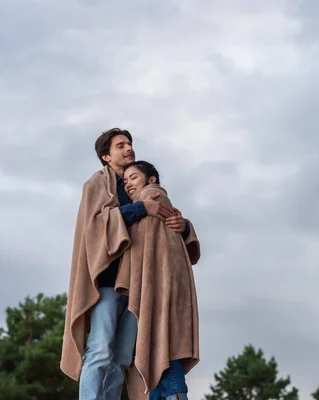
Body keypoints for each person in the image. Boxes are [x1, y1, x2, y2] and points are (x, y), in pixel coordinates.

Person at [60, 128, 196, 400]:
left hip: (139, 287)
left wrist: (184, 227)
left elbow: (161, 229)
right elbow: (94, 226)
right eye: (120, 145)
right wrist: (140, 209)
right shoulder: (97, 184)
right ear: (106, 156)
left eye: (130, 144)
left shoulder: (141, 189)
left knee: (123, 356)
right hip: (108, 283)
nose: (128, 148)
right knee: (100, 349)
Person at [117, 160, 201, 400]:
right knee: (155, 349)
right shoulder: (144, 205)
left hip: (160, 288)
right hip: (162, 287)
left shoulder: (151, 196)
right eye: (125, 181)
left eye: (134, 177)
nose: (129, 184)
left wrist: (185, 227)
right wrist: (186, 228)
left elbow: (110, 223)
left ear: (151, 178)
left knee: (163, 350)